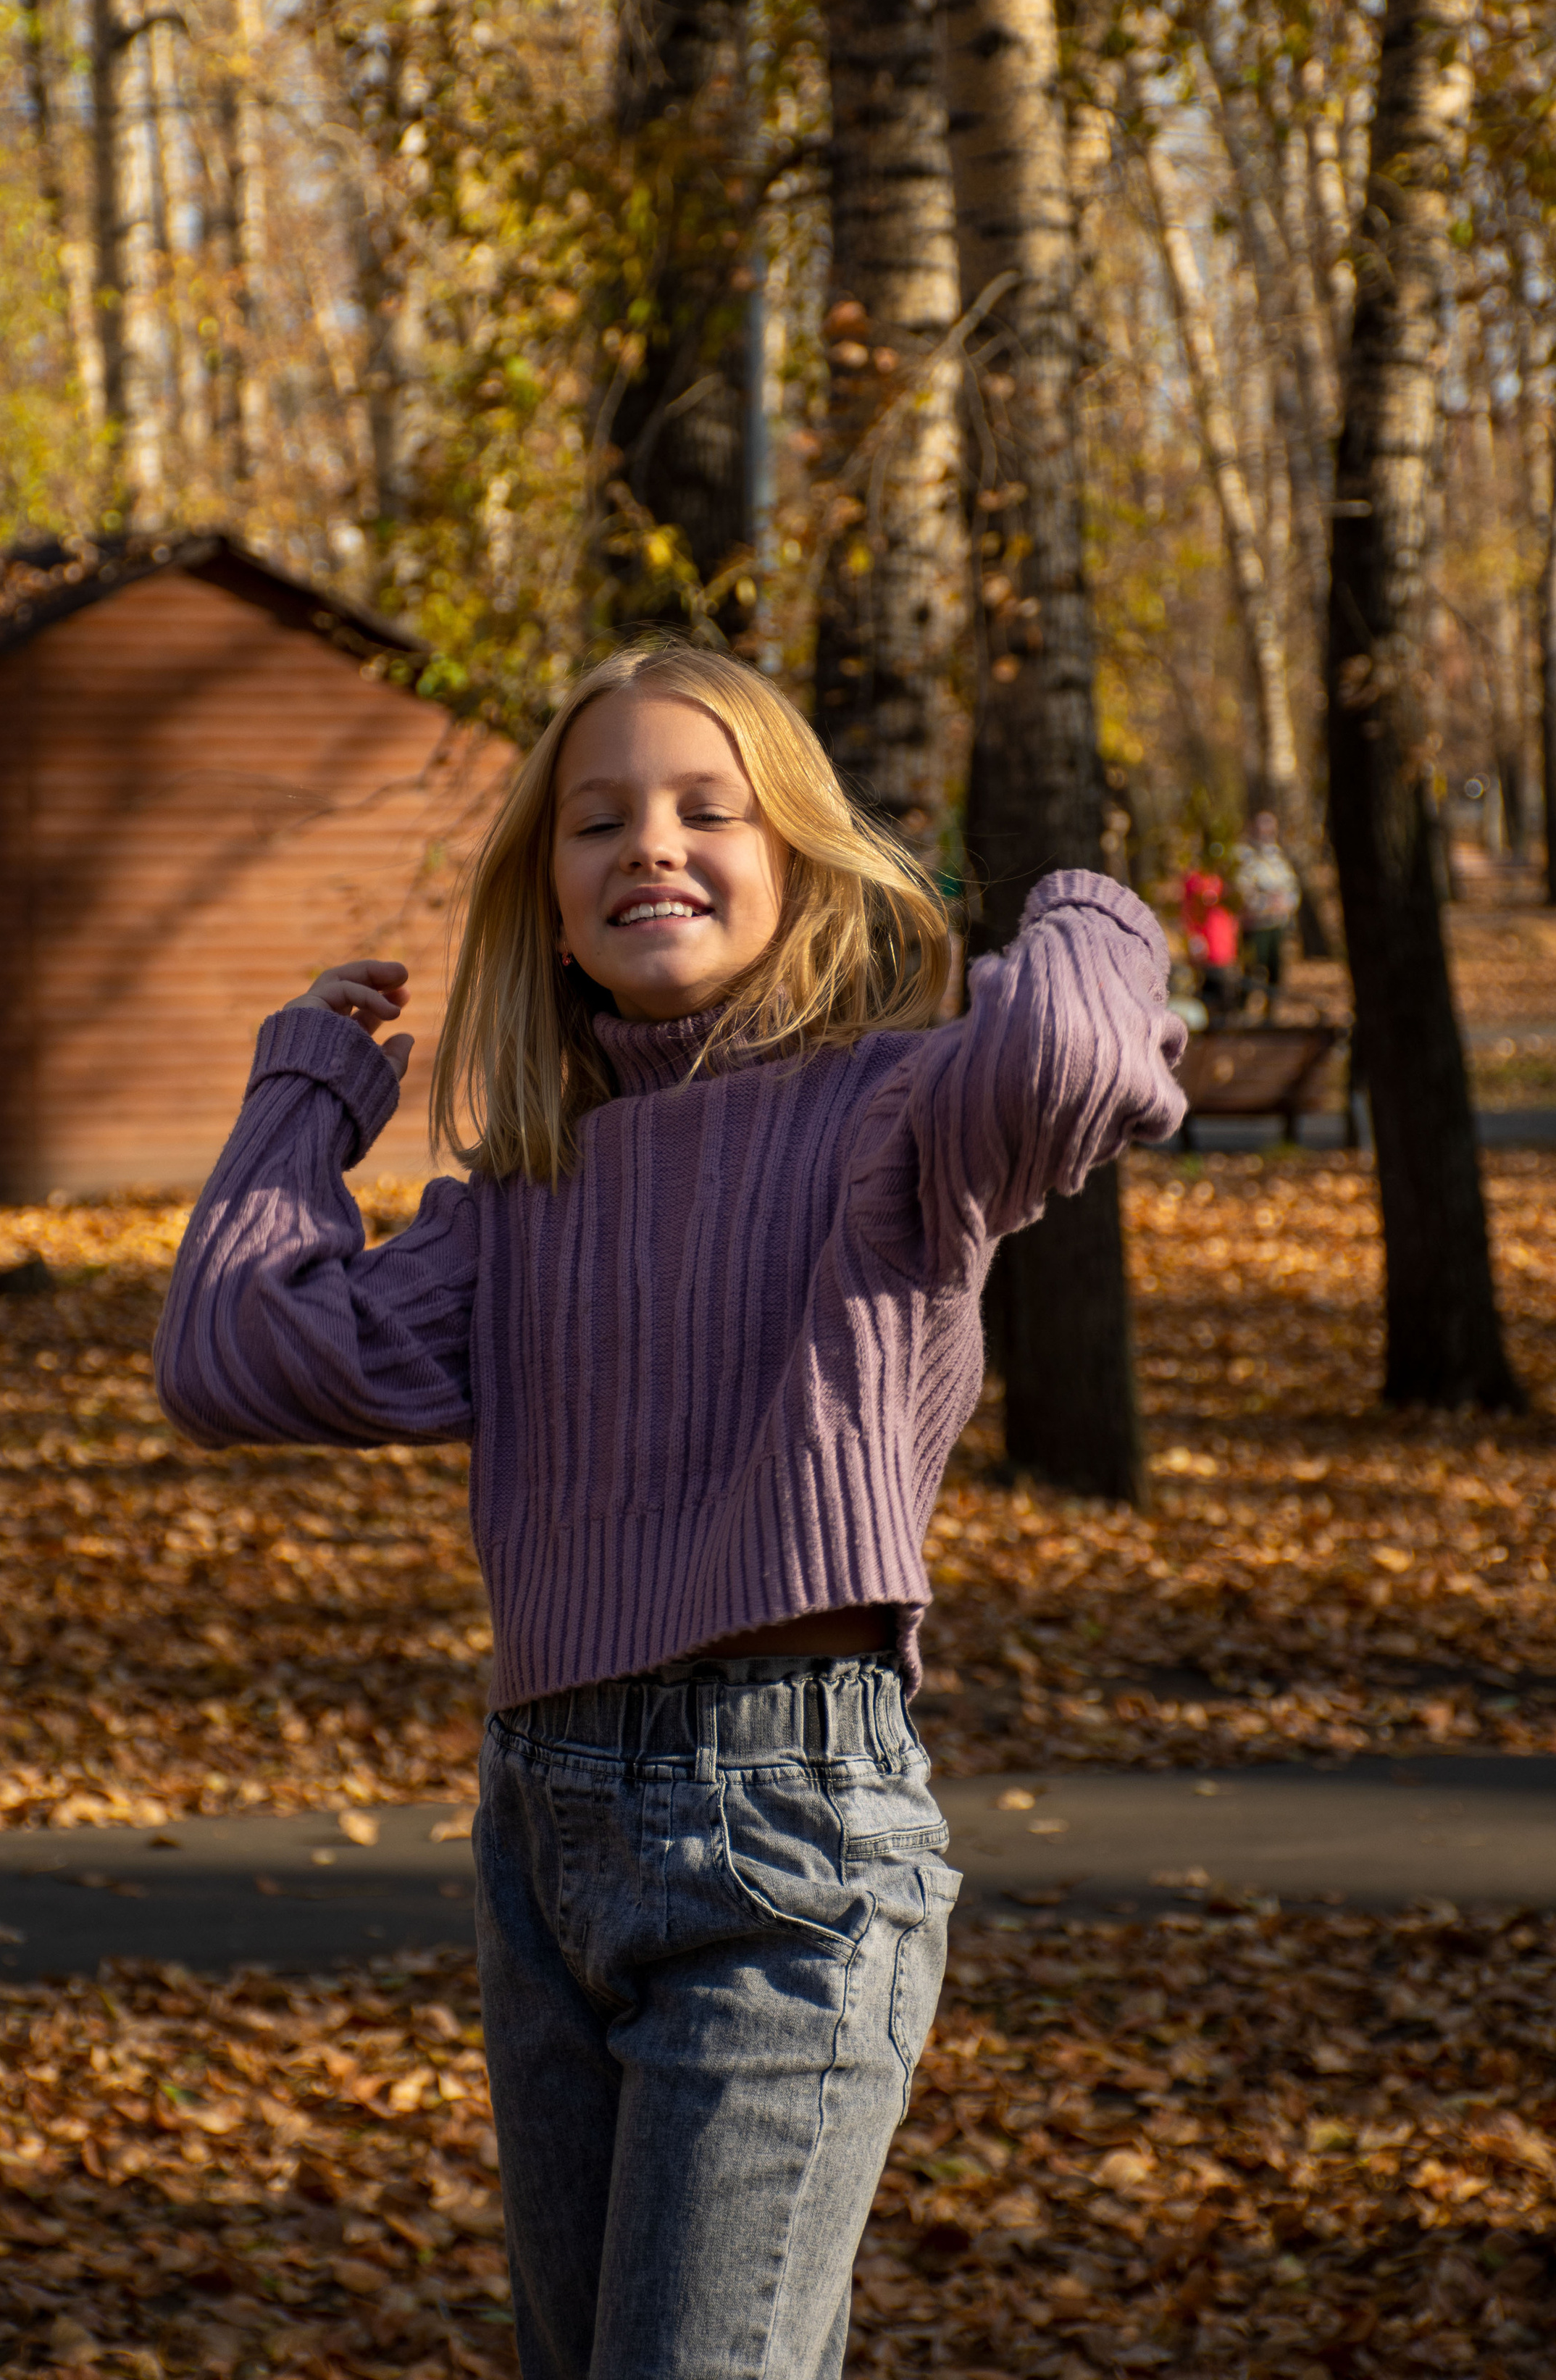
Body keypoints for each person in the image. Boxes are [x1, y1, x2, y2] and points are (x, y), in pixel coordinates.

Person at [154, 638, 1187, 2380]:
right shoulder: (522, 1194)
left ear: (794, 859)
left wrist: (1068, 889)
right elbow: (236, 1354)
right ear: (542, 901)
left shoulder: (897, 1116)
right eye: (596, 820)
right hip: (541, 1847)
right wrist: (301, 1094)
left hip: (784, 1848)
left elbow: (1081, 1052)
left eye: (710, 809)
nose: (649, 843)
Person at [1232, 809, 1300, 995]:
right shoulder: (1245, 856)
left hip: (1277, 923)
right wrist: (1266, 904)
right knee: (1253, 968)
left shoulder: (1279, 857)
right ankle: (1244, 1009)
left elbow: (1292, 887)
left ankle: (1272, 1011)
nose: (1266, 833)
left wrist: (1287, 904)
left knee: (1276, 968)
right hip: (1256, 924)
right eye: (1262, 828)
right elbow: (1243, 890)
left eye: (1270, 829)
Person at [1181, 865, 1243, 1022]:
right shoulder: (1196, 915)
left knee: (1225, 997)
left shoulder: (1221, 914)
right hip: (1207, 966)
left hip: (1224, 963)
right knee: (1208, 998)